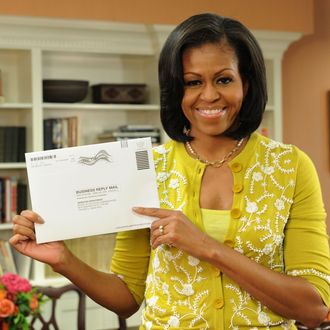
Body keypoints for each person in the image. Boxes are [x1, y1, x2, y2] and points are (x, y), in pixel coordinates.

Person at [10, 13, 330, 329]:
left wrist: (206, 246)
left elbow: (314, 308)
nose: (209, 95)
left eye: (224, 79)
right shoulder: (144, 167)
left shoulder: (290, 167)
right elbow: (127, 297)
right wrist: (64, 261)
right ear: (176, 90)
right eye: (193, 82)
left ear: (246, 83)